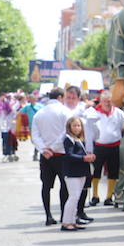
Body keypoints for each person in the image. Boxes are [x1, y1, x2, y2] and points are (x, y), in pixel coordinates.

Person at [31, 88, 70, 226]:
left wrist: (44, 148)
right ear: (60, 97)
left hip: (45, 156)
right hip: (61, 153)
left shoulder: (39, 113)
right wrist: (53, 147)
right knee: (64, 185)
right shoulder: (65, 111)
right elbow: (67, 132)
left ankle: (48, 215)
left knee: (46, 185)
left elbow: (35, 135)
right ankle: (64, 215)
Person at [84, 90, 124, 207]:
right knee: (96, 172)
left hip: (114, 145)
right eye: (105, 101)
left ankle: (109, 197)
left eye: (109, 101)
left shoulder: (119, 113)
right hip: (99, 146)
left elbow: (122, 127)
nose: (107, 103)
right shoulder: (94, 113)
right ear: (100, 102)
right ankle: (95, 196)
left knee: (113, 172)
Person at [59, 116, 95, 231]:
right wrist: (84, 158)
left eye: (79, 125)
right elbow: (69, 156)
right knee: (73, 197)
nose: (77, 128)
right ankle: (66, 222)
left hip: (80, 172)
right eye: (74, 125)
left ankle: (73, 221)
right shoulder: (68, 139)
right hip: (72, 173)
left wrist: (89, 157)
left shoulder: (79, 139)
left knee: (77, 198)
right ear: (69, 127)